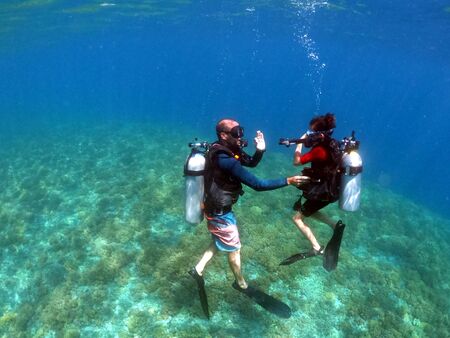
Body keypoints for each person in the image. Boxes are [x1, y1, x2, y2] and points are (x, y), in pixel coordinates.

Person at [189, 118, 306, 292]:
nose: (240, 136)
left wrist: (260, 150)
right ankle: (240, 283)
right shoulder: (224, 159)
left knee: (220, 238)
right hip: (219, 212)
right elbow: (258, 185)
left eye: (241, 131)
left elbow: (251, 162)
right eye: (236, 133)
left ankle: (198, 269)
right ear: (223, 135)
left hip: (216, 208)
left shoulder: (224, 149)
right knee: (234, 248)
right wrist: (288, 181)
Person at [290, 113, 342, 256]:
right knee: (306, 207)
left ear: (319, 134)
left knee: (297, 218)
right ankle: (334, 225)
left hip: (323, 192)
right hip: (333, 190)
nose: (308, 135)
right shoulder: (334, 143)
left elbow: (296, 162)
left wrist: (299, 144)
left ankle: (317, 248)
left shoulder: (319, 150)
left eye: (310, 132)